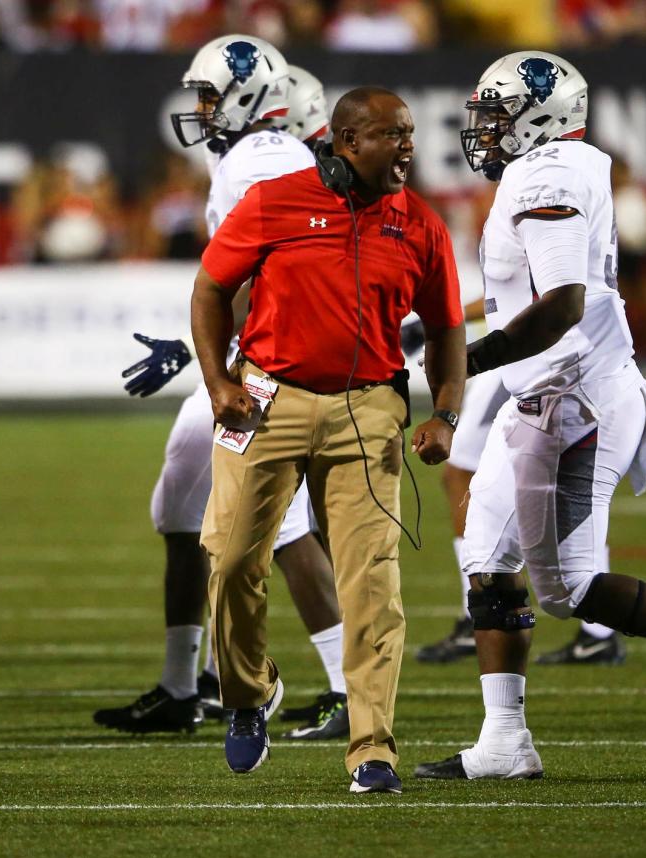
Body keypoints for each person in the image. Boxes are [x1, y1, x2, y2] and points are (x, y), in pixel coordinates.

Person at [414, 51, 646, 785]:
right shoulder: (554, 168)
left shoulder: (548, 175)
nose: (486, 130)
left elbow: (564, 301)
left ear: (540, 113)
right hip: (552, 395)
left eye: (498, 113)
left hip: (578, 401)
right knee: (486, 557)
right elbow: (532, 294)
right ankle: (504, 739)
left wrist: (465, 364)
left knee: (568, 589)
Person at [192, 86, 465, 793]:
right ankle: (250, 693)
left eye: (408, 133)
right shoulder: (272, 202)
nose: (407, 146)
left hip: (369, 409)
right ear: (345, 143)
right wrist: (219, 381)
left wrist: (447, 413)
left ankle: (372, 747)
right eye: (388, 134)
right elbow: (210, 289)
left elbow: (446, 327)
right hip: (265, 398)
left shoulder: (421, 223)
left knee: (373, 581)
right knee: (227, 561)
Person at [96, 36, 349, 742]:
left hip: (270, 367)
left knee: (287, 523)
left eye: (209, 96)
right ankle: (185, 686)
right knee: (179, 504)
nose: (200, 109)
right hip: (245, 358)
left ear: (247, 96)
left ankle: (347, 689)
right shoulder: (247, 157)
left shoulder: (264, 160)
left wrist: (208, 348)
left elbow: (267, 271)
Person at [415, 298, 626, 667]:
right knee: (562, 480)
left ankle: (479, 611)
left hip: (535, 351)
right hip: (555, 349)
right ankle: (598, 632)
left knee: (462, 465)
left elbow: (539, 288)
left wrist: (452, 319)